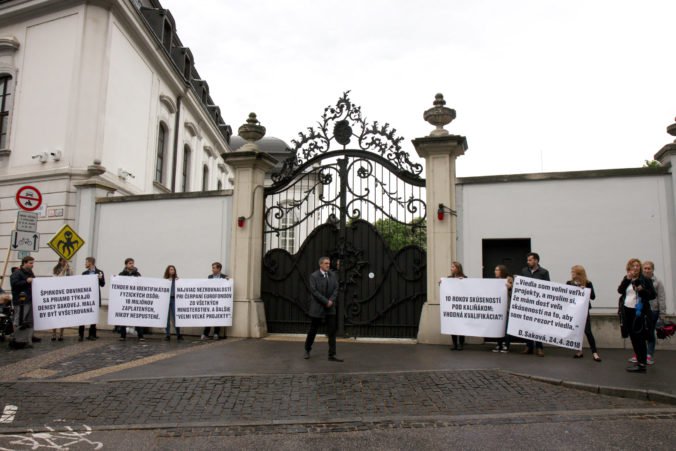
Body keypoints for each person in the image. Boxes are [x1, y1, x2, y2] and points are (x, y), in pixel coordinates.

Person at [618, 258, 656, 373]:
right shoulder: (627, 279)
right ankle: (639, 361)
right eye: (633, 266)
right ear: (629, 268)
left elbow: (652, 295)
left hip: (639, 312)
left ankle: (642, 364)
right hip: (627, 311)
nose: (635, 267)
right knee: (633, 337)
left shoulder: (644, 279)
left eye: (637, 266)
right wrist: (627, 279)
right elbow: (620, 291)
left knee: (640, 338)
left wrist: (641, 289)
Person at [304, 256, 342, 362]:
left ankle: (332, 355)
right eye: (326, 263)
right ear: (320, 264)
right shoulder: (314, 276)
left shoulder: (333, 275)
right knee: (313, 330)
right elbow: (314, 292)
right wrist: (326, 301)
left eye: (329, 263)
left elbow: (336, 288)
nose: (328, 265)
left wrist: (331, 301)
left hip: (330, 308)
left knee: (332, 331)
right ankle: (307, 349)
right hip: (318, 307)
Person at [568, 265, 601, 362]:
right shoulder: (569, 283)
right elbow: (566, 295)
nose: (572, 274)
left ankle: (595, 352)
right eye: (572, 272)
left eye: (573, 272)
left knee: (588, 331)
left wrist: (585, 290)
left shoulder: (588, 283)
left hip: (584, 310)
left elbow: (593, 297)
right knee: (576, 331)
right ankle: (579, 351)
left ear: (579, 273)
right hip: (574, 310)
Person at [520, 252, 550, 357]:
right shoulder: (524, 271)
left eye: (530, 260)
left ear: (536, 260)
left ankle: (539, 347)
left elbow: (548, 287)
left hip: (538, 303)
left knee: (537, 325)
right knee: (528, 324)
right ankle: (529, 346)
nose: (528, 262)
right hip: (527, 302)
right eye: (527, 260)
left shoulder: (544, 272)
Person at [639, 261, 665, 366]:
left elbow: (662, 298)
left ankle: (649, 355)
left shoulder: (657, 282)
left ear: (652, 269)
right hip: (641, 310)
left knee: (650, 333)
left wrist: (662, 314)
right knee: (640, 333)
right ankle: (640, 354)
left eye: (649, 268)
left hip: (653, 310)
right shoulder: (639, 280)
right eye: (645, 268)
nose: (646, 270)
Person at [9, 256, 36, 349]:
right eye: (30, 263)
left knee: (29, 322)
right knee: (19, 320)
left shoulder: (30, 273)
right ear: (24, 263)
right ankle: (16, 340)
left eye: (33, 263)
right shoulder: (17, 273)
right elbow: (14, 285)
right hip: (20, 301)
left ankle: (28, 341)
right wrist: (26, 281)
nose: (32, 265)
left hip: (30, 300)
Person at [79, 256, 105, 341]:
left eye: (86, 262)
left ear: (90, 263)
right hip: (86, 297)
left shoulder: (99, 272)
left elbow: (102, 284)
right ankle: (81, 334)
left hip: (95, 296)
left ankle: (92, 334)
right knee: (82, 316)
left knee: (93, 316)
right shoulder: (84, 273)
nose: (85, 264)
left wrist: (99, 279)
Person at [118, 258, 144, 341]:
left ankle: (140, 335)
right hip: (125, 298)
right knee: (124, 317)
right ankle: (122, 335)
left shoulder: (137, 274)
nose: (132, 265)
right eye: (130, 263)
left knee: (137, 317)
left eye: (132, 263)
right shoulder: (121, 274)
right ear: (126, 265)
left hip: (134, 298)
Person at [202, 262, 228, 340]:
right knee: (209, 316)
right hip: (211, 299)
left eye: (214, 267)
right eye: (212, 267)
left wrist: (227, 280)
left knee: (217, 317)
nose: (212, 269)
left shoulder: (224, 277)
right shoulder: (210, 277)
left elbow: (227, 286)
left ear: (219, 269)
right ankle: (205, 333)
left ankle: (216, 333)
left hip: (219, 300)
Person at [51, 257, 73, 341]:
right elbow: (57, 279)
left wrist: (69, 270)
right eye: (63, 261)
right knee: (55, 315)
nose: (65, 263)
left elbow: (72, 279)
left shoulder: (69, 269)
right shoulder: (55, 269)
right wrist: (63, 270)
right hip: (56, 294)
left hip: (65, 294)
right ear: (60, 261)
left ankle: (61, 334)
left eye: (66, 261)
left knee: (63, 316)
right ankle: (53, 333)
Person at [493, 265, 513, 353]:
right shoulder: (495, 282)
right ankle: (499, 344)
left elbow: (515, 294)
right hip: (498, 308)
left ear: (502, 271)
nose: (495, 271)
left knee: (506, 328)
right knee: (497, 327)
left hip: (507, 308)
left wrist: (510, 288)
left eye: (497, 270)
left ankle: (506, 345)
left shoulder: (509, 280)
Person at [447, 261, 467, 351]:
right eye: (451, 267)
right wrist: (441, 283)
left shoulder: (465, 278)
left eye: (453, 267)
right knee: (453, 325)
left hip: (461, 305)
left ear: (458, 268)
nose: (451, 268)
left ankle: (461, 344)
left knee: (461, 325)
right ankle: (454, 344)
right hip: (452, 305)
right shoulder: (449, 278)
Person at [164, 265, 182, 341]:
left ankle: (178, 334)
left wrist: (179, 281)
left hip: (174, 299)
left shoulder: (177, 280)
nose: (172, 271)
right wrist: (168, 280)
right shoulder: (165, 280)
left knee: (176, 317)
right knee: (166, 318)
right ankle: (167, 334)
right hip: (166, 299)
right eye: (170, 269)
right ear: (168, 271)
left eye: (173, 269)